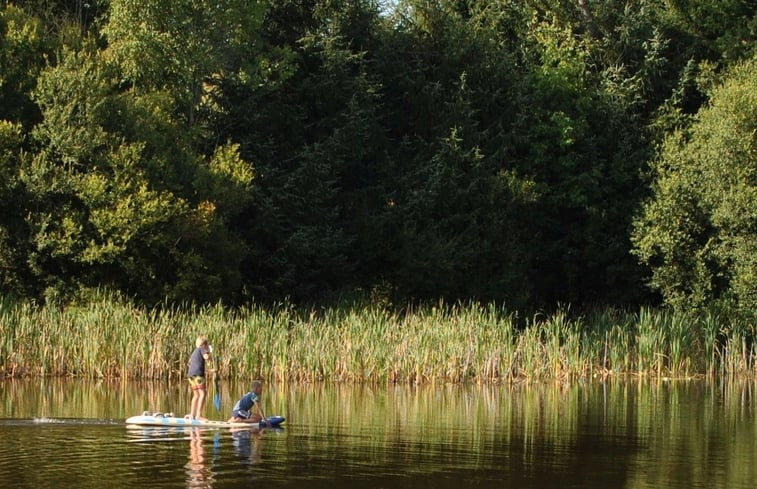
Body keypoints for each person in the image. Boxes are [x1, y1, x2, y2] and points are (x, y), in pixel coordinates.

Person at [187, 335, 213, 421]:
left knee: (196, 395)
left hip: (191, 375)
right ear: (204, 344)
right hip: (198, 375)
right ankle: (198, 415)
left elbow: (196, 364)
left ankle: (192, 415)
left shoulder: (194, 352)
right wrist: (209, 352)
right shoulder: (202, 349)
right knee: (203, 394)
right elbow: (206, 357)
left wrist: (210, 371)